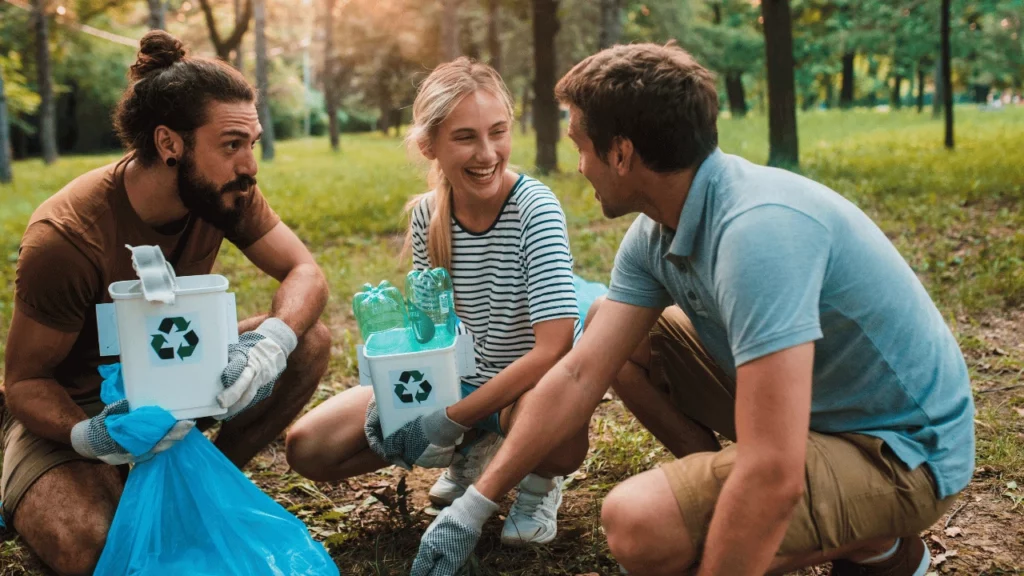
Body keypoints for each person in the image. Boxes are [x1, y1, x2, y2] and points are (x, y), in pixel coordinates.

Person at [410, 43, 975, 576]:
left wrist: (733, 504)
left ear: (622, 153)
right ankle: (726, 496)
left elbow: (773, 469)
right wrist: (476, 504)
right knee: (620, 330)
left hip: (900, 454)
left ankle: (878, 541)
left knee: (639, 524)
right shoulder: (655, 230)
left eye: (581, 145)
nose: (579, 165)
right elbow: (582, 371)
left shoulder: (756, 234)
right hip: (816, 418)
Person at [1, 31, 331, 575]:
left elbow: (305, 272)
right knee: (97, 549)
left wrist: (270, 343)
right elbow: (25, 383)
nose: (250, 165)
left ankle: (198, 493)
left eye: (252, 142)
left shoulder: (226, 192)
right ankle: (39, 484)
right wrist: (89, 435)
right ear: (169, 143)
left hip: (177, 381)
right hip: (78, 411)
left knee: (307, 339)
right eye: (232, 144)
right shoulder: (66, 237)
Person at [285, 57, 588, 547]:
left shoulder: (536, 207)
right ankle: (478, 446)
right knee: (309, 447)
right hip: (460, 385)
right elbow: (433, 334)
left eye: (498, 132)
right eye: (465, 137)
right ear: (429, 145)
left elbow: (552, 350)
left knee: (564, 431)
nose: (488, 153)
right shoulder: (429, 215)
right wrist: (409, 402)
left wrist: (449, 419)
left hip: (525, 390)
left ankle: (537, 480)